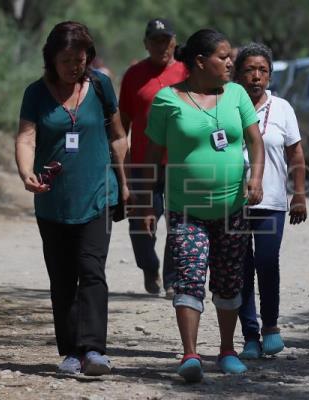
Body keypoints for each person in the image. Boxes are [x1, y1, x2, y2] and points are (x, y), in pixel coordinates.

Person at [142, 29, 265, 382]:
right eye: (224, 57)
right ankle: (190, 354)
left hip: (233, 209)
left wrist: (255, 179)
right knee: (189, 278)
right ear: (200, 62)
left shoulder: (237, 94)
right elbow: (150, 156)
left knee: (228, 281)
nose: (231, 63)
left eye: (231, 57)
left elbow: (255, 142)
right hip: (185, 210)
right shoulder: (168, 100)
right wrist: (146, 203)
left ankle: (227, 350)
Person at [15, 21, 129, 375]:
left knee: (92, 269)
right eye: (67, 60)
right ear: (51, 59)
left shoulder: (100, 85)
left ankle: (94, 349)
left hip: (98, 193)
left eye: (81, 59)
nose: (74, 67)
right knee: (62, 276)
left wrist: (124, 182)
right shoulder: (36, 93)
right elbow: (25, 139)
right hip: (53, 201)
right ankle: (70, 352)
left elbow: (117, 135)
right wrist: (25, 173)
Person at [233, 43, 307, 359]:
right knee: (240, 268)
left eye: (262, 70)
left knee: (266, 262)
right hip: (232, 201)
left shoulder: (283, 108)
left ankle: (271, 326)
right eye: (250, 69)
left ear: (270, 74)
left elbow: (296, 154)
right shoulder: (226, 106)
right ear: (238, 74)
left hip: (272, 201)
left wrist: (299, 195)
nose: (256, 76)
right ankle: (250, 334)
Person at [119, 18, 188, 297]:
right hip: (142, 164)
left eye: (166, 40)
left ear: (174, 42)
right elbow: (122, 124)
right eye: (155, 40)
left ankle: (172, 279)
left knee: (178, 223)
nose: (161, 46)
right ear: (146, 44)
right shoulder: (134, 75)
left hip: (180, 163)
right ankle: (149, 266)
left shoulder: (187, 72)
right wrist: (119, 164)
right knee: (140, 225)